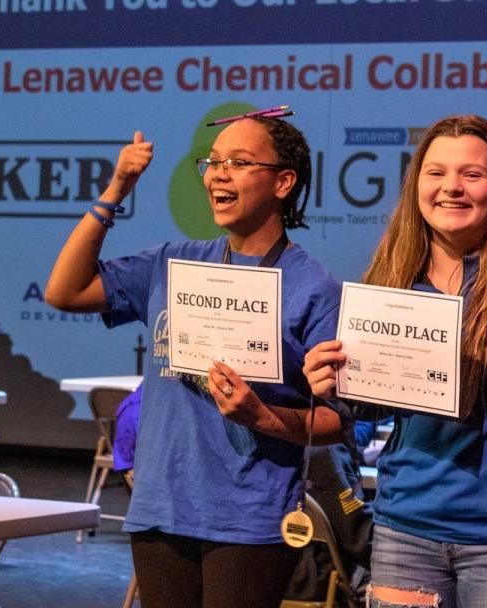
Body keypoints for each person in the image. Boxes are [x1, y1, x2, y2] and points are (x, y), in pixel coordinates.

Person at [45, 115, 344, 608]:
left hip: (249, 519)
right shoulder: (173, 263)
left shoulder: (314, 289)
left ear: (284, 182)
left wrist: (263, 417)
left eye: (240, 163)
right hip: (161, 508)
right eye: (213, 162)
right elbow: (65, 291)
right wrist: (118, 187)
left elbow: (337, 423)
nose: (218, 174)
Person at [304, 114, 487, 608]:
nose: (451, 187)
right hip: (404, 531)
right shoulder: (389, 285)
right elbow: (368, 410)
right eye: (436, 173)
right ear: (416, 187)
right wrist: (332, 384)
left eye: (471, 174)